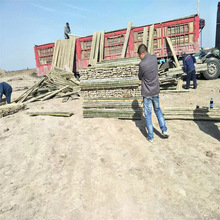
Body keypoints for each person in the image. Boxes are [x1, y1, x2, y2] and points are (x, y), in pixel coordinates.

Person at [137, 44, 169, 143]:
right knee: (158, 110)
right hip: (155, 91)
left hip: (147, 93)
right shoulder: (154, 58)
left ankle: (151, 137)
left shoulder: (142, 64)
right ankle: (164, 130)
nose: (139, 57)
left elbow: (140, 77)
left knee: (147, 114)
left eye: (139, 55)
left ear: (142, 53)